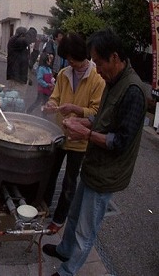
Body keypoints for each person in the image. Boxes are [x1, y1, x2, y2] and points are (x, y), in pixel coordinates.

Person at [43, 29, 146, 276]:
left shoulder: (133, 90)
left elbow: (118, 141)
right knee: (75, 214)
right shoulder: (113, 81)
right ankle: (64, 249)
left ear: (114, 57)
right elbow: (101, 117)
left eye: (99, 62)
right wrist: (83, 123)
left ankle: (69, 270)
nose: (96, 69)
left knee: (86, 229)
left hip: (107, 173)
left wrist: (85, 134)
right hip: (93, 165)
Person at [40, 32, 106, 234]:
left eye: (71, 58)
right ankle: (42, 210)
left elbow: (96, 113)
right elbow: (56, 97)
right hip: (60, 134)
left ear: (81, 54)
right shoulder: (63, 74)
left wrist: (75, 109)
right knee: (49, 175)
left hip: (80, 139)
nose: (69, 63)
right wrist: (52, 105)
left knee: (69, 182)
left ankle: (58, 220)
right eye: (67, 59)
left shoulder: (97, 78)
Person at [6, 26, 30, 102]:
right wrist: (31, 32)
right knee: (13, 100)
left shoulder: (20, 43)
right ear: (21, 35)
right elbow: (25, 41)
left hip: (20, 76)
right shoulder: (14, 41)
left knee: (18, 100)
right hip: (16, 77)